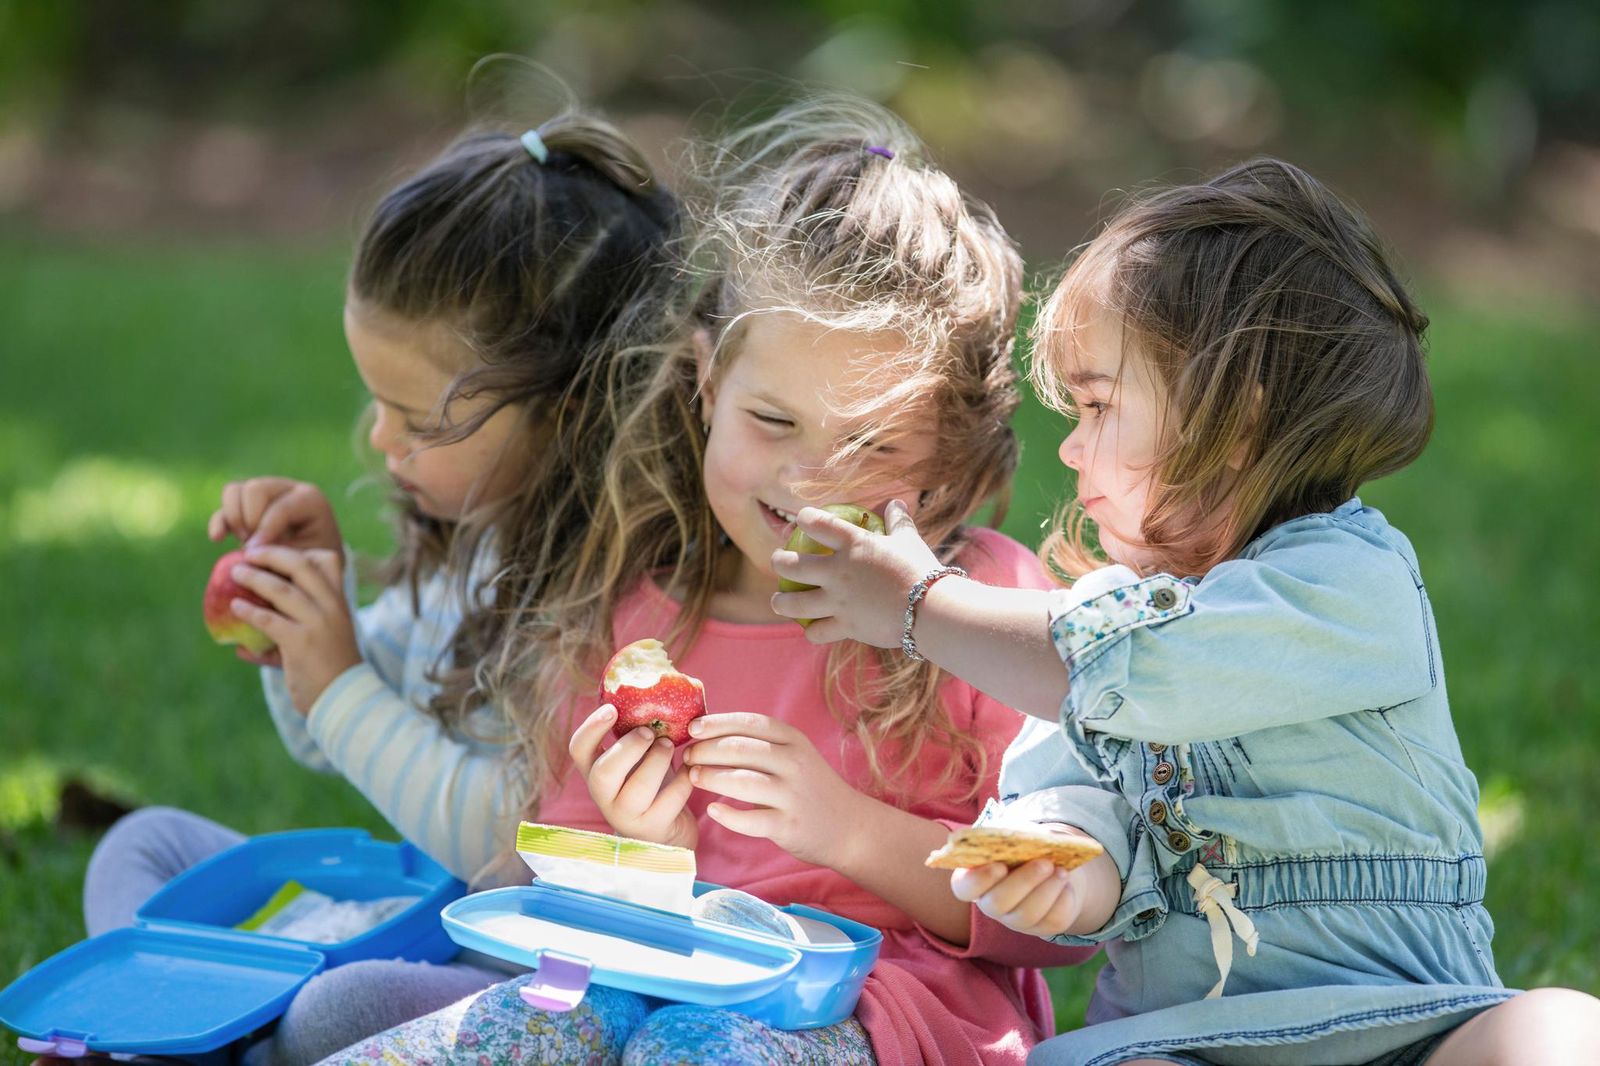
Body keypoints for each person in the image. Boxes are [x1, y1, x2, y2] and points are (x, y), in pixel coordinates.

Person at [768, 157, 1600, 1064]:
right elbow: (1069, 791)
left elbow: (1130, 670)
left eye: (1097, 405)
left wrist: (918, 604)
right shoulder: (1102, 609)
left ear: (1233, 425)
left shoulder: (1351, 586)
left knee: (1558, 1030)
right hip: (1182, 1045)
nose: (1074, 448)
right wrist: (1061, 866)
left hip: (1406, 1027)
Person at [326, 95, 1094, 1066]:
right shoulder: (644, 619)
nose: (810, 478)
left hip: (884, 1013)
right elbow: (562, 909)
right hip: (631, 986)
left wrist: (846, 829)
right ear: (705, 382)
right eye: (772, 423)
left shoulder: (977, 610)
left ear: (948, 447)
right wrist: (639, 836)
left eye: (871, 443)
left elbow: (1059, 923)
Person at [79, 104, 680, 1065]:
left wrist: (338, 686)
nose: (378, 440)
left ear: (572, 414)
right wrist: (308, 629)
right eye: (377, 403)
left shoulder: (619, 608)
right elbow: (347, 737)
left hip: (530, 962)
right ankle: (181, 1035)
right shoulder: (475, 539)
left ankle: (187, 1040)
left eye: (419, 419)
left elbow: (505, 847)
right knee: (142, 846)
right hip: (429, 913)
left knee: (338, 1012)